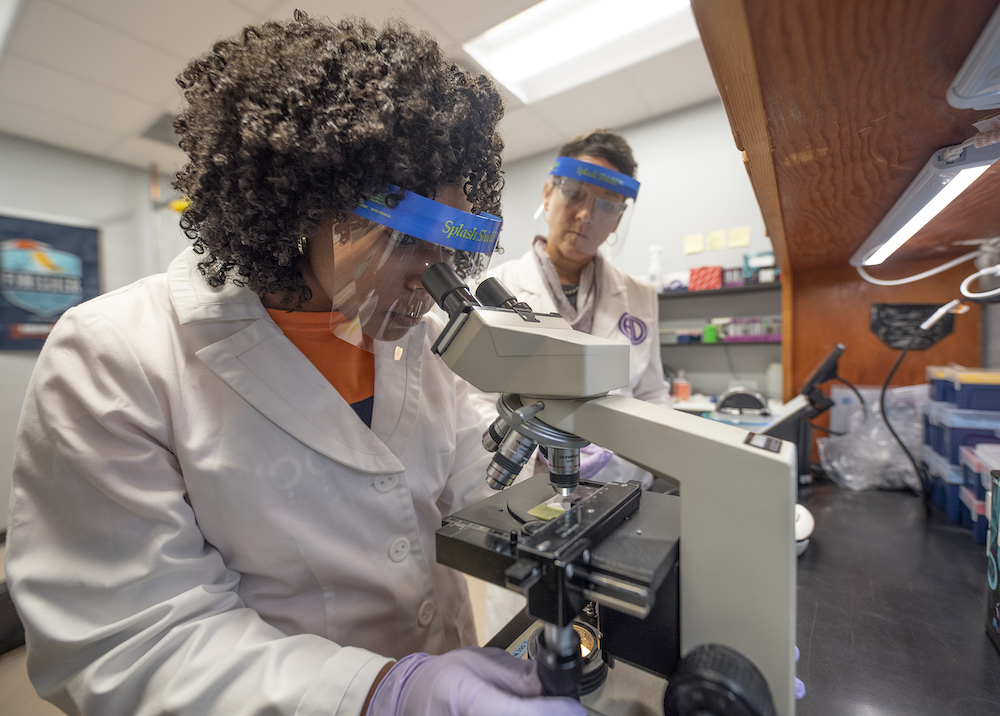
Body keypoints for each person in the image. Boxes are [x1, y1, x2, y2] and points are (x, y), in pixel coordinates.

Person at [5, 14, 585, 716]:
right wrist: (381, 695)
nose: (435, 282)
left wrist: (573, 499)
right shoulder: (113, 356)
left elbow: (477, 487)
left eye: (453, 248)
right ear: (302, 205)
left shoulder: (423, 340)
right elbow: (126, 641)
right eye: (409, 242)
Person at [471, 129, 671, 489]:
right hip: (527, 483)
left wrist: (638, 453)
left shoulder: (641, 296)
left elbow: (652, 393)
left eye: (607, 204)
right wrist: (535, 458)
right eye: (574, 194)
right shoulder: (493, 285)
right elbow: (475, 398)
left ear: (619, 219)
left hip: (622, 480)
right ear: (549, 193)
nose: (585, 215)